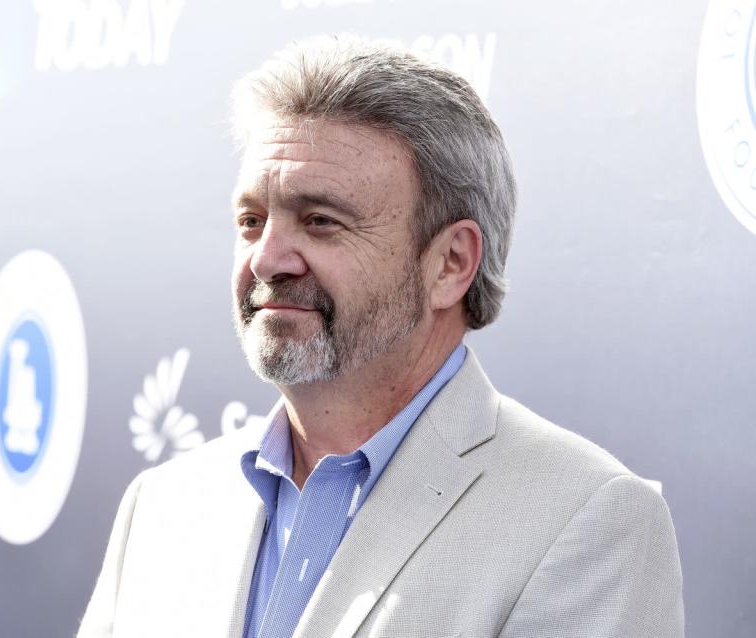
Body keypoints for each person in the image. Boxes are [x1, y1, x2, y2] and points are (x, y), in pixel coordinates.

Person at [77, 35, 684, 638]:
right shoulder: (161, 506)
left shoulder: (586, 518)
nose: (267, 259)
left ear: (450, 262)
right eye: (251, 221)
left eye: (320, 221)